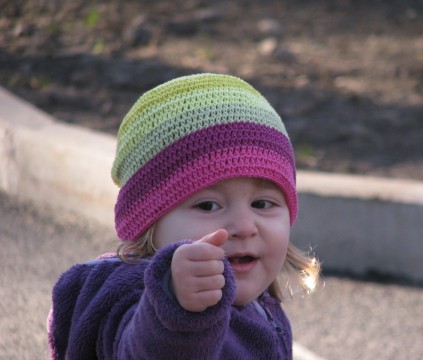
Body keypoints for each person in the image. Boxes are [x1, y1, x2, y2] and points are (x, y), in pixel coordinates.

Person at [48, 73, 320, 359]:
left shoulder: (261, 305)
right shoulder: (137, 297)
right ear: (148, 222)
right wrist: (175, 309)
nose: (243, 226)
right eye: (207, 206)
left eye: (263, 204)